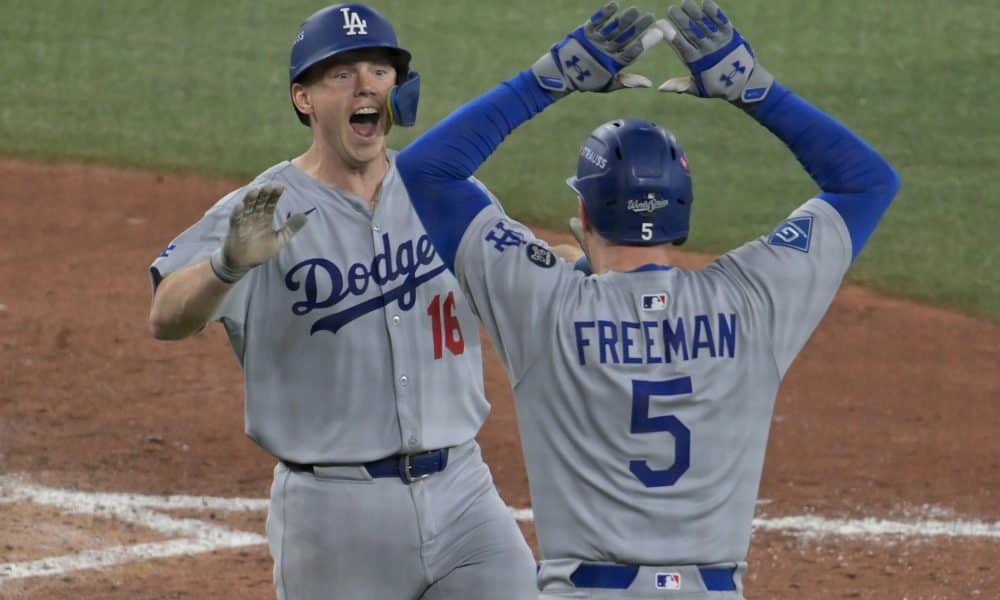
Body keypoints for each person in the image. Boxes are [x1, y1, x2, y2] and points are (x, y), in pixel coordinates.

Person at [396, 0, 901, 597]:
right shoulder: (753, 297)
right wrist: (751, 88)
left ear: (583, 212)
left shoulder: (544, 304)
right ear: (683, 210)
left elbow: (426, 171)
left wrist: (550, 78)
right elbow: (867, 182)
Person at [146, 4, 539, 599]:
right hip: (334, 514)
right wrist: (227, 265)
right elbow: (166, 315)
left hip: (465, 496)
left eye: (380, 72)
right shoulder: (262, 206)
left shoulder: (448, 195)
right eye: (342, 74)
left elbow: (529, 272)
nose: (366, 87)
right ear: (304, 99)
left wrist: (590, 265)